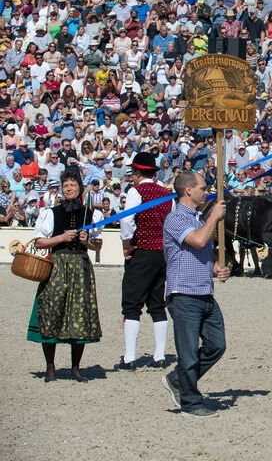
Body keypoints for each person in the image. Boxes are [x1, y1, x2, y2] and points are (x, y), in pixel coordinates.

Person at [160, 171, 229, 418]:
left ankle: (178, 380)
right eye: (202, 187)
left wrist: (217, 268)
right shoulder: (175, 218)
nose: (205, 191)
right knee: (188, 353)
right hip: (184, 294)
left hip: (204, 292)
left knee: (216, 345)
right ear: (188, 190)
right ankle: (190, 402)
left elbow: (201, 254)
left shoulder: (199, 219)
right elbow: (198, 241)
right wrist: (213, 217)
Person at [26, 171, 104, 382]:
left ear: (80, 187)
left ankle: (75, 368)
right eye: (65, 185)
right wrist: (60, 237)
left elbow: (98, 245)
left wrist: (87, 241)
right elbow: (39, 242)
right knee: (51, 310)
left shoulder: (91, 214)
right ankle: (50, 367)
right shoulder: (51, 213)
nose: (69, 188)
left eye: (72, 184)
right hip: (57, 266)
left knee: (78, 313)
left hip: (80, 266)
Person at [118, 151, 173, 371]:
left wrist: (126, 245)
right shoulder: (166, 194)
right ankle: (159, 355)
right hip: (162, 253)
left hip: (141, 250)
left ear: (137, 173)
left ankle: (130, 357)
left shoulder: (136, 191)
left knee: (132, 304)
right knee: (157, 303)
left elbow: (127, 220)